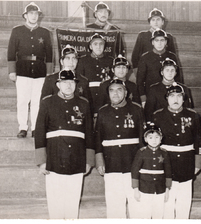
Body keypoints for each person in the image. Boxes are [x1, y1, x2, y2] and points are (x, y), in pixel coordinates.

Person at [35, 70, 94, 219]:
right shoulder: (47, 102)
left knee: (73, 200)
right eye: (65, 82)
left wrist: (89, 160)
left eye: (71, 82)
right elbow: (40, 131)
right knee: (55, 201)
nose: (68, 85)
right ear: (58, 84)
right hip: (54, 157)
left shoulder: (83, 103)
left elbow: (90, 133)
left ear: (75, 84)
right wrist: (42, 161)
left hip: (77, 158)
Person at [153, 82, 201, 219]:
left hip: (187, 163)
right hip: (165, 161)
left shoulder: (193, 116)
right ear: (167, 98)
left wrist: (197, 163)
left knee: (184, 202)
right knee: (166, 203)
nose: (175, 99)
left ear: (183, 99)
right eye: (172, 96)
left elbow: (199, 141)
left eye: (179, 96)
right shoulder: (158, 116)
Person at [95, 79, 145, 218]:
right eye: (112, 90)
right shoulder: (103, 112)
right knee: (114, 206)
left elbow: (142, 138)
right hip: (111, 164)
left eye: (119, 90)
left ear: (126, 92)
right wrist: (99, 161)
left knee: (137, 204)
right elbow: (98, 139)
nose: (115, 93)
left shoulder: (136, 109)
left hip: (133, 164)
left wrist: (142, 163)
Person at [7, 2, 53, 138]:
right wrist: (12, 70)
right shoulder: (17, 31)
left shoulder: (45, 32)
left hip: (39, 70)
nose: (34, 16)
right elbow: (11, 52)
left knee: (37, 101)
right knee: (22, 100)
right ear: (25, 15)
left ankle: (35, 128)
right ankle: (22, 127)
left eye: (36, 14)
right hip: (22, 69)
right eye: (31, 13)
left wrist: (49, 72)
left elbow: (49, 54)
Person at [131, 122, 172, 219]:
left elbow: (168, 172)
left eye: (157, 137)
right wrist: (136, 189)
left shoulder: (164, 153)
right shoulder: (141, 152)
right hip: (144, 188)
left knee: (158, 213)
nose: (154, 140)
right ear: (145, 139)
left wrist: (167, 189)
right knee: (145, 213)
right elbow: (135, 170)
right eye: (150, 137)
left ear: (161, 138)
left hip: (160, 189)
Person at [137, 29, 182, 106]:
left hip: (170, 94)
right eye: (157, 40)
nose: (159, 43)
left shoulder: (172, 56)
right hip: (151, 95)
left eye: (162, 40)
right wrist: (143, 98)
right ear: (152, 42)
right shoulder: (145, 57)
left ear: (166, 42)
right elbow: (140, 80)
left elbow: (178, 77)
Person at [76, 33, 114, 118]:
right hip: (88, 95)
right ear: (90, 46)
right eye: (95, 44)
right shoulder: (82, 60)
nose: (98, 46)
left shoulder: (110, 61)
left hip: (105, 96)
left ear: (104, 46)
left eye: (101, 44)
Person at [144, 58, 193, 122]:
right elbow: (148, 113)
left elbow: (188, 111)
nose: (170, 73)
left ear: (175, 73)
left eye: (172, 70)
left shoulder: (184, 88)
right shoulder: (154, 89)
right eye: (167, 70)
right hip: (161, 123)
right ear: (162, 72)